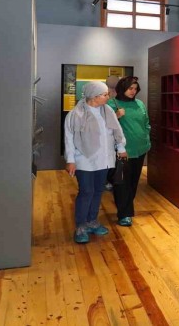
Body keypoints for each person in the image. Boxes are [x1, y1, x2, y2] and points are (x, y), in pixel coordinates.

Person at [64, 81, 127, 244]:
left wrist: (121, 147)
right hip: (84, 159)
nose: (108, 97)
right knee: (86, 192)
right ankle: (81, 226)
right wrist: (70, 160)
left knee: (98, 191)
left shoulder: (108, 111)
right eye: (104, 94)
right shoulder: (75, 114)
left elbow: (117, 131)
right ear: (93, 96)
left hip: (104, 160)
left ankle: (92, 221)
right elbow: (69, 139)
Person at [109, 76, 151, 227]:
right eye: (130, 88)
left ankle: (126, 208)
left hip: (141, 149)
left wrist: (146, 137)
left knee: (133, 181)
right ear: (122, 88)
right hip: (123, 151)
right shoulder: (112, 104)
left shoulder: (139, 104)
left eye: (135, 89)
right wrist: (116, 116)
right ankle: (124, 213)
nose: (133, 91)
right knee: (122, 183)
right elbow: (104, 127)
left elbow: (146, 123)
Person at [103, 75, 121, 191]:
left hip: (116, 135)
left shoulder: (118, 97)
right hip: (107, 136)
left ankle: (111, 180)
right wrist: (117, 116)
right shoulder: (104, 98)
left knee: (114, 160)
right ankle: (105, 180)